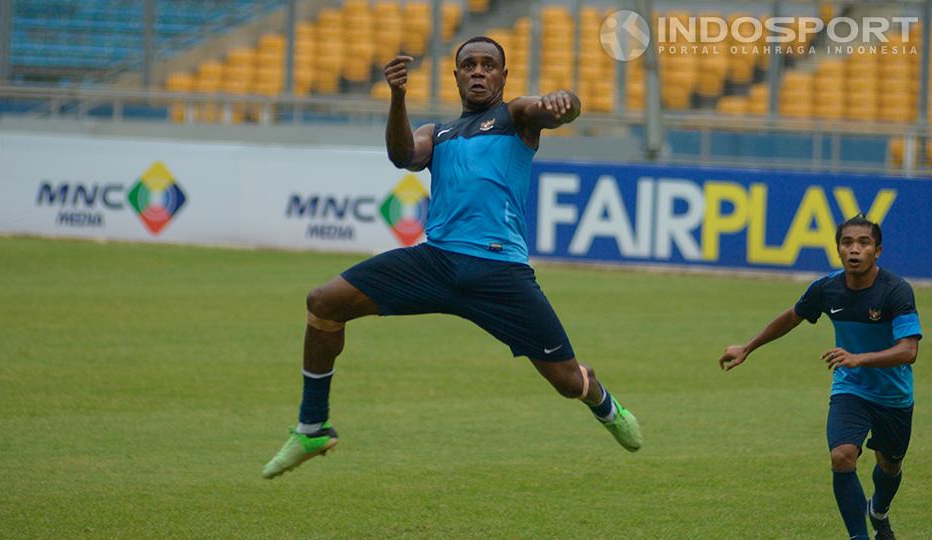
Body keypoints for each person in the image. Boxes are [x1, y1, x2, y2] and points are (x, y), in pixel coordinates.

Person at [262, 36, 643, 479]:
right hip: (436, 262)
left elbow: (558, 108)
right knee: (323, 302)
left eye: (488, 65)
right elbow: (402, 155)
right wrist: (398, 96)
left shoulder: (515, 116)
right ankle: (312, 426)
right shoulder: (436, 134)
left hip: (500, 273)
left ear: (503, 75)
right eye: (469, 65)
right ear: (456, 75)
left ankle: (601, 400)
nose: (478, 71)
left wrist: (566, 101)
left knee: (566, 382)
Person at [718, 215, 921, 540]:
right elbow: (792, 317)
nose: (854, 250)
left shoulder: (896, 291)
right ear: (838, 249)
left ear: (878, 251)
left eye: (863, 243)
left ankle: (879, 511)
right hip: (850, 389)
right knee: (842, 456)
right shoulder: (827, 289)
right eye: (847, 243)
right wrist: (748, 347)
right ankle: (859, 537)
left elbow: (909, 351)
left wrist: (859, 358)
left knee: (889, 466)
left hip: (893, 396)